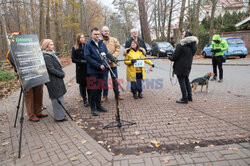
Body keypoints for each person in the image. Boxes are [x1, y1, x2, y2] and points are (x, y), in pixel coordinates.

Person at [84, 27, 109, 116]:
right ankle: (93, 107)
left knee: (99, 88)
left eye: (98, 34)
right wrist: (98, 65)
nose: (97, 35)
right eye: (95, 34)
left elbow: (107, 54)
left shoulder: (102, 44)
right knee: (93, 90)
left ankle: (99, 105)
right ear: (91, 35)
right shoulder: (88, 44)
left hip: (102, 70)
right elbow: (87, 57)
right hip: (92, 71)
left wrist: (105, 63)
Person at [169, 30, 198, 104]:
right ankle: (189, 97)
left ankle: (184, 99)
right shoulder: (193, 46)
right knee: (186, 81)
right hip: (188, 66)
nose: (182, 35)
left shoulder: (181, 45)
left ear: (186, 36)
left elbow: (174, 57)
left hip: (180, 67)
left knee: (182, 82)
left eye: (183, 34)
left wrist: (169, 57)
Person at [41, 39, 67, 121]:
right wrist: (61, 74)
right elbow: (51, 69)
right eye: (51, 44)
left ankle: (61, 114)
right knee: (56, 98)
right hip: (53, 80)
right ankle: (59, 117)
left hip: (57, 79)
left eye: (52, 44)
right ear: (46, 46)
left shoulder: (51, 54)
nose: (53, 46)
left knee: (59, 97)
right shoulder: (46, 56)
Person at [100, 26, 123, 102]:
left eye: (107, 31)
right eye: (105, 31)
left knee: (115, 79)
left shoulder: (114, 40)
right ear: (102, 32)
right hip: (104, 64)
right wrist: (105, 60)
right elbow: (97, 51)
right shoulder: (99, 40)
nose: (106, 32)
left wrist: (112, 58)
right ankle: (105, 95)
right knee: (104, 81)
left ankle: (117, 94)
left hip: (113, 64)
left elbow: (118, 48)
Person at [71, 33, 89, 107]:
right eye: (80, 37)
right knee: (82, 85)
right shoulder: (75, 48)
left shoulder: (87, 46)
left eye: (83, 37)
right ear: (78, 39)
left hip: (88, 68)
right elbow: (73, 59)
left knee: (89, 84)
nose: (82, 39)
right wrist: (81, 61)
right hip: (80, 69)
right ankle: (84, 99)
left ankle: (90, 99)